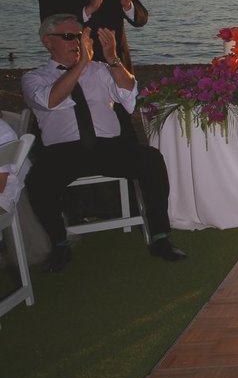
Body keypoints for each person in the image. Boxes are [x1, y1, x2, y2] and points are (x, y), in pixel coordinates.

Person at [21, 14, 186, 273]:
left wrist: (112, 59)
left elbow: (129, 94)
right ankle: (60, 244)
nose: (76, 42)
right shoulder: (35, 78)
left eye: (79, 36)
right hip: (63, 151)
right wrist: (81, 64)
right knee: (38, 181)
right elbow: (50, 100)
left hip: (107, 146)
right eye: (68, 37)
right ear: (47, 42)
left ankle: (160, 237)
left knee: (150, 159)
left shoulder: (99, 70)